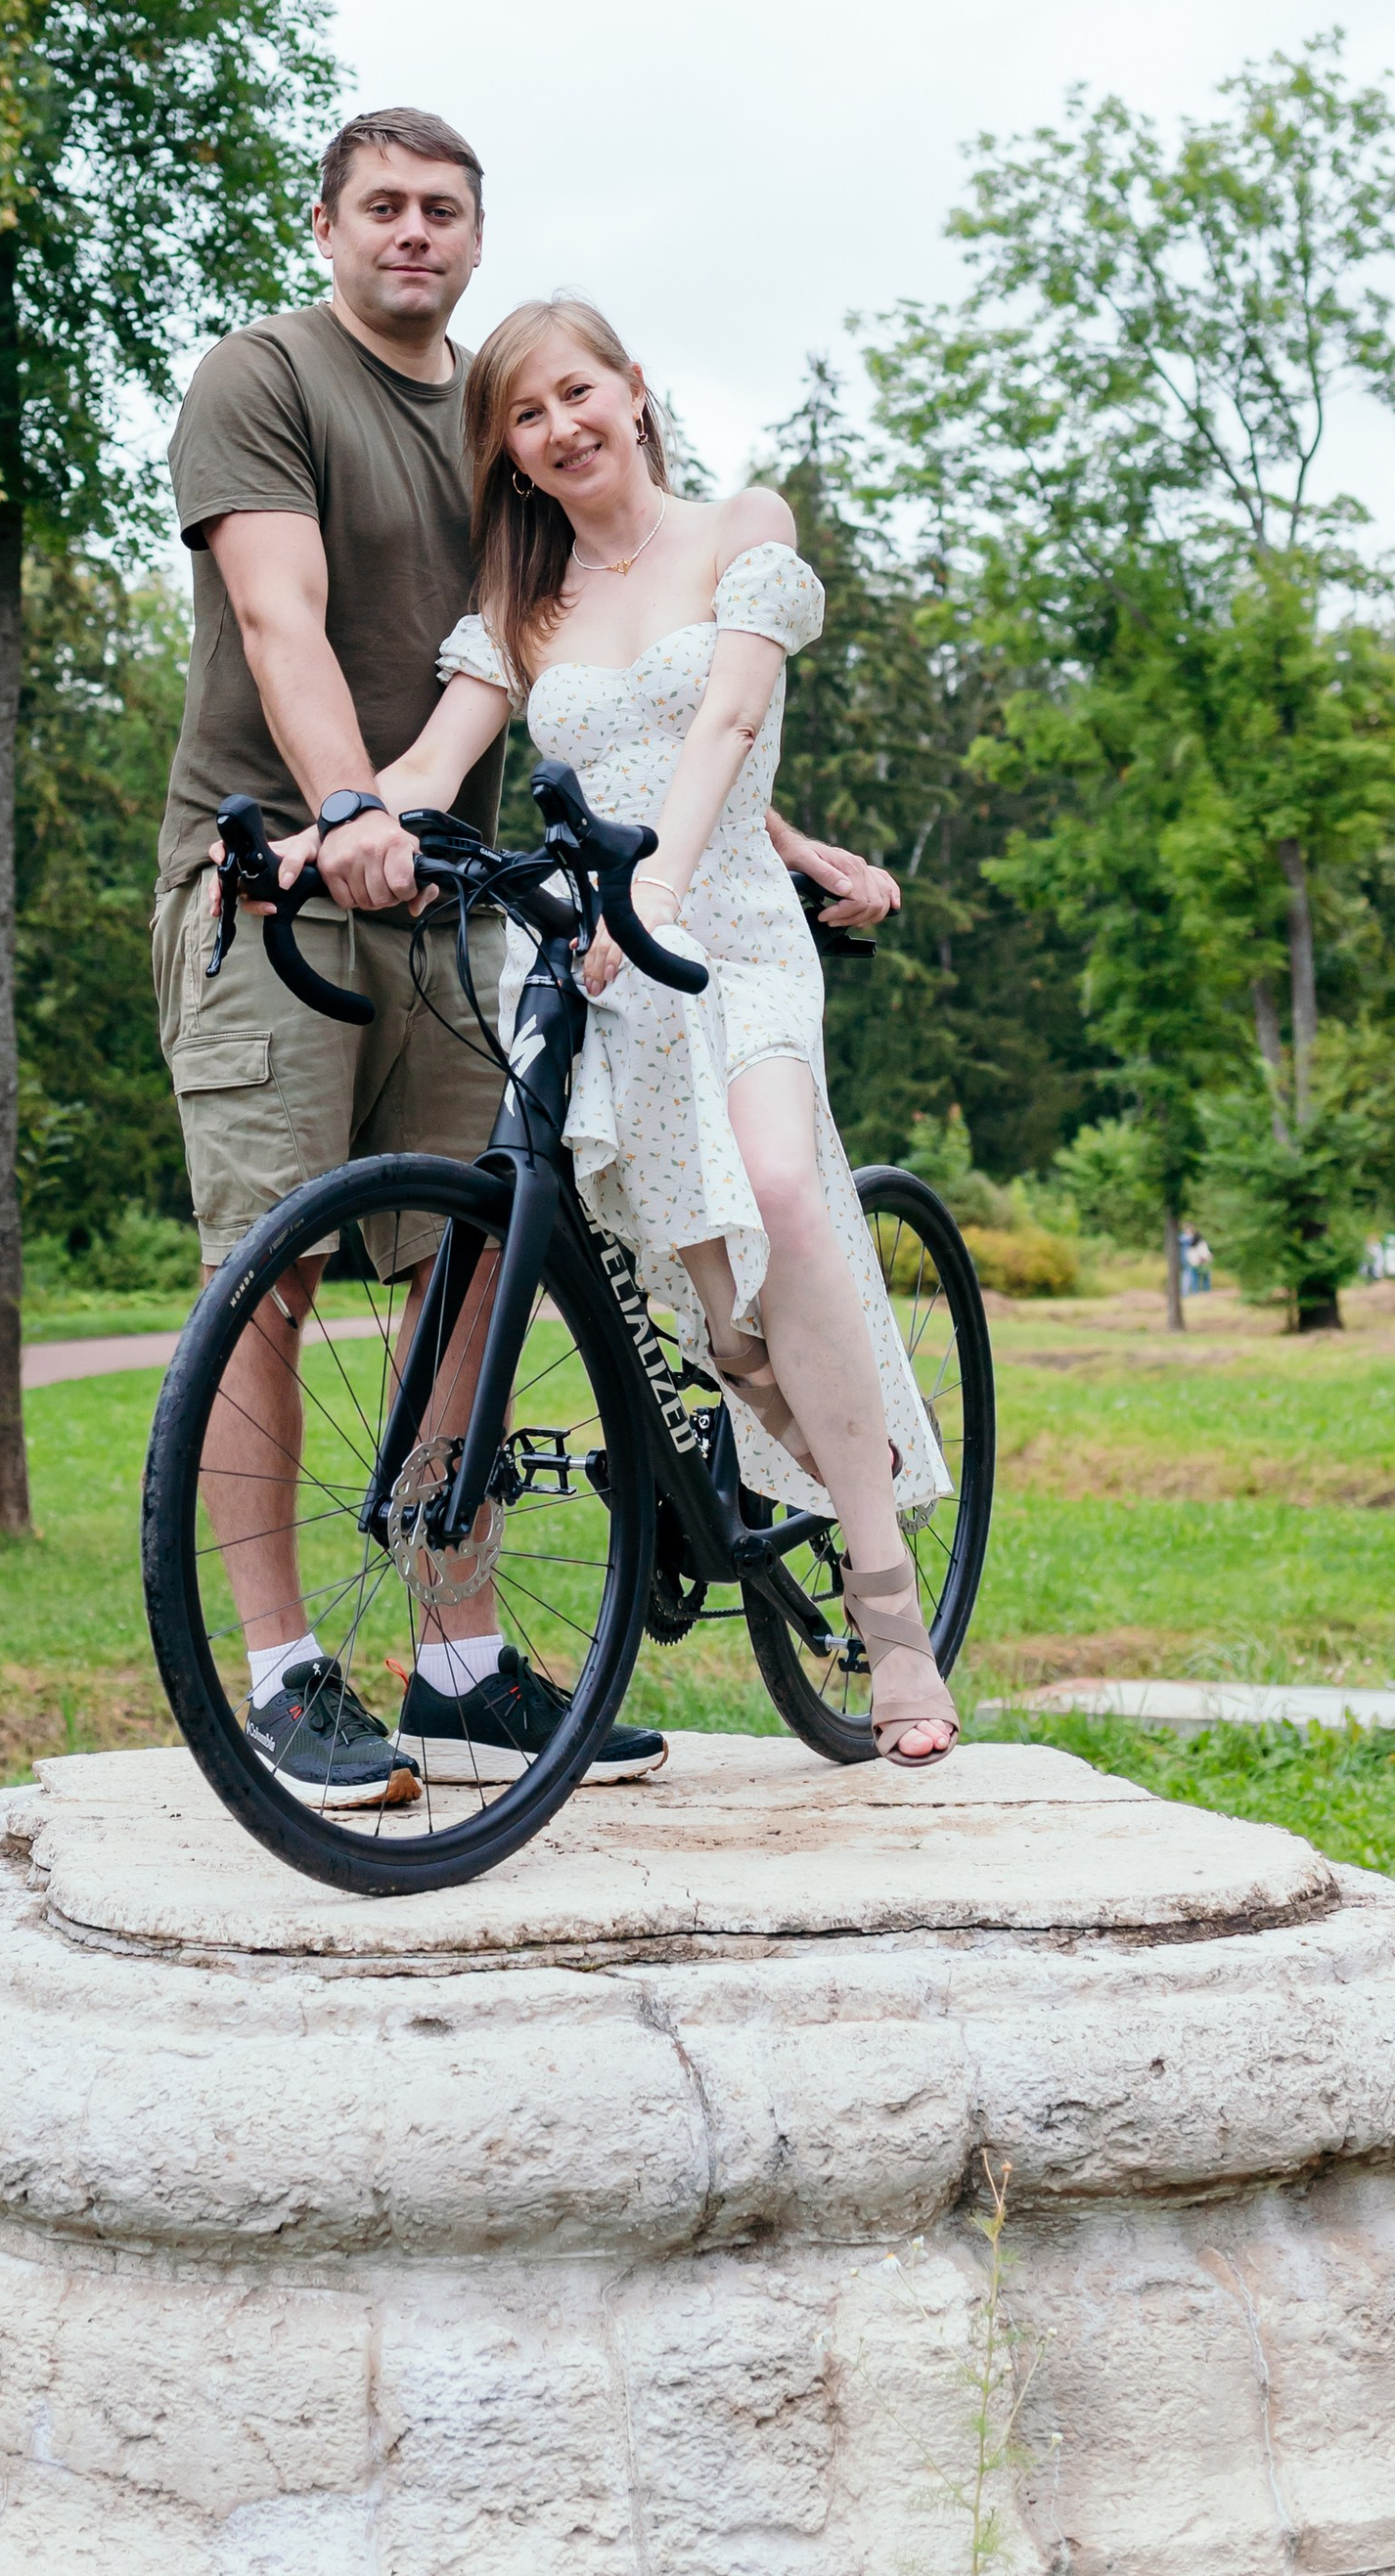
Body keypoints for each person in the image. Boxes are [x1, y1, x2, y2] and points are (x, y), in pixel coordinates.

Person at [155, 114, 903, 1800]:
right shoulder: (265, 377)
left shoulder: (502, 411)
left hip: (458, 895)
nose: (413, 235)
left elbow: (627, 682)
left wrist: (768, 837)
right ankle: (284, 1672)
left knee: (469, 1260)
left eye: (444, 212)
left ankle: (463, 1661)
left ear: (479, 241)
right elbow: (279, 616)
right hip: (290, 879)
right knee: (268, 1270)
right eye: (384, 209)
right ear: (330, 224)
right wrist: (349, 808)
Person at [367, 292, 959, 1764]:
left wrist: (680, 887)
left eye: (579, 394)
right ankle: (794, 1410)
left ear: (634, 392)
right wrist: (328, 835)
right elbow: (434, 763)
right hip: (590, 959)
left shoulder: (739, 528)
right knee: (711, 1310)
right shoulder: (525, 612)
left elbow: (722, 722)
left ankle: (891, 1624)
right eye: (525, 415)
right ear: (507, 452)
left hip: (725, 937)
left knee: (777, 1192)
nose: (562, 428)